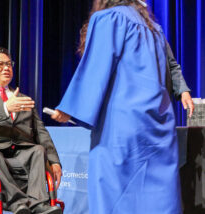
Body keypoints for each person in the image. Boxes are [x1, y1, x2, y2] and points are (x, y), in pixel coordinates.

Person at [51, 0, 184, 213]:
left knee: (113, 189)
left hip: (122, 122)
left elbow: (97, 65)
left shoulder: (109, 18)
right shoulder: (154, 28)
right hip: (158, 120)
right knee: (159, 193)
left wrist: (71, 106)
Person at [0, 47, 62, 214]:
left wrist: (54, 160)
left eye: (9, 64)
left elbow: (40, 132)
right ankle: (17, 204)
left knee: (37, 150)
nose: (6, 68)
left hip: (20, 152)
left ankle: (39, 205)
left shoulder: (22, 98)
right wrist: (5, 108)